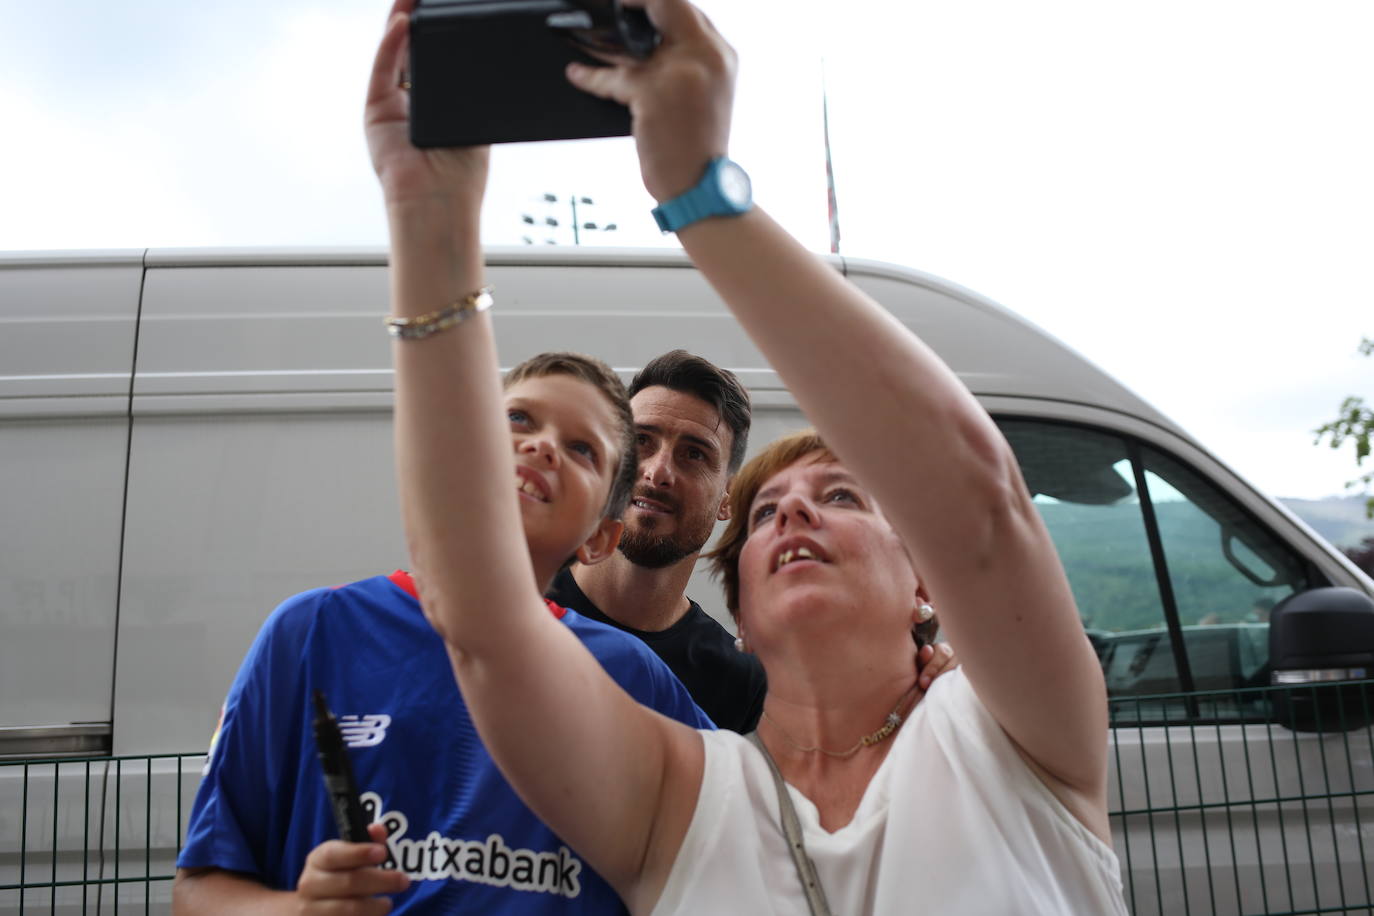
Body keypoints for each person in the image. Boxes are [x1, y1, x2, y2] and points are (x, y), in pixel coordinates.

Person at [368, 0, 1129, 911]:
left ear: (927, 584)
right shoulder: (675, 795)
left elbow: (980, 507)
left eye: (842, 496)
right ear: (740, 607)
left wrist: (696, 189)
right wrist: (431, 215)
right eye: (765, 513)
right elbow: (483, 623)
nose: (795, 513)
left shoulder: (1019, 738)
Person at [171, 352, 712, 914]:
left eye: (582, 449)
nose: (541, 445)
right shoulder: (309, 632)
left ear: (600, 538)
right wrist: (299, 910)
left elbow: (751, 852)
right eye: (518, 420)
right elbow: (196, 893)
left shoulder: (636, 678)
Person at [548, 350, 958, 732]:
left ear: (728, 497)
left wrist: (917, 693)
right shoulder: (519, 600)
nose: (658, 472)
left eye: (694, 454)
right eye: (642, 442)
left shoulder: (744, 687)